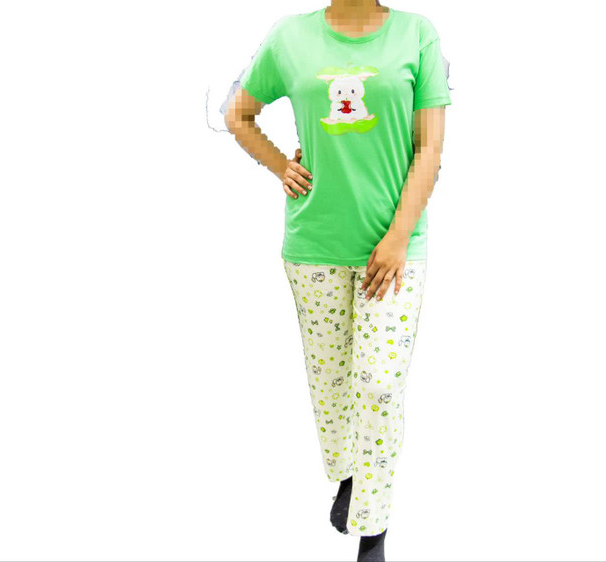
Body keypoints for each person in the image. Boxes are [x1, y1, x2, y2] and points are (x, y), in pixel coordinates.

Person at [225, 1, 451, 560]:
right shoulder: (289, 37)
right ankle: (348, 474)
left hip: (394, 250)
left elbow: (429, 146)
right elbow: (238, 113)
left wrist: (398, 236)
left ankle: (372, 527)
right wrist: (281, 165)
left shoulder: (417, 35)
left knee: (378, 383)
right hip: (315, 246)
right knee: (330, 382)